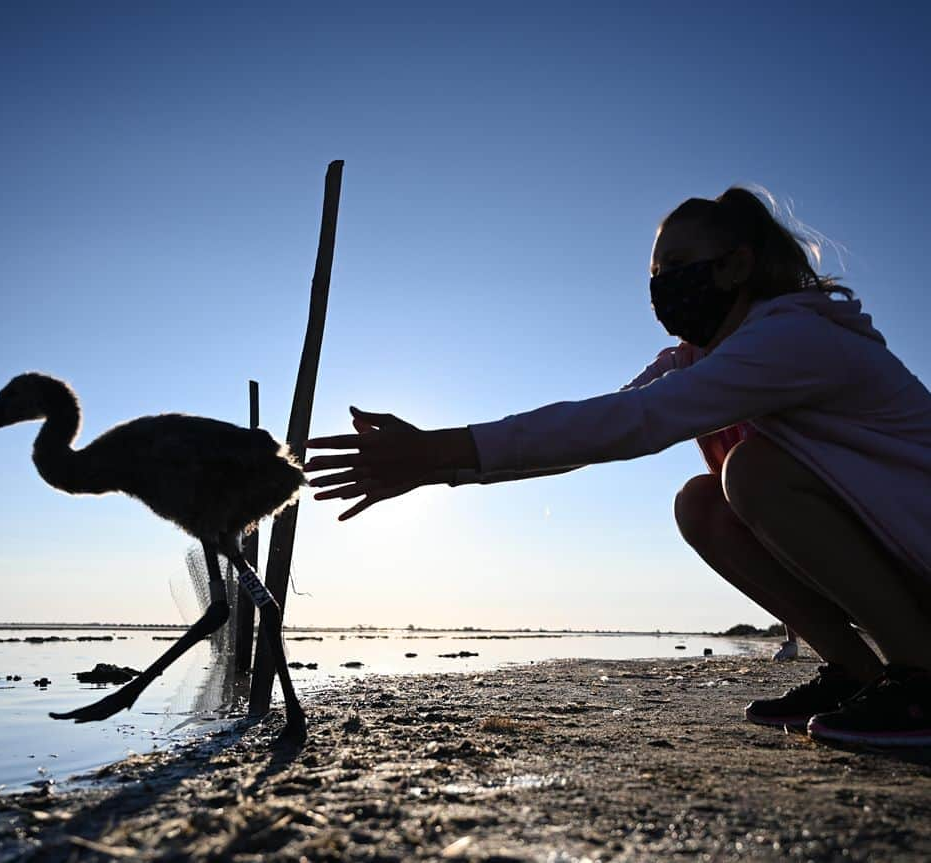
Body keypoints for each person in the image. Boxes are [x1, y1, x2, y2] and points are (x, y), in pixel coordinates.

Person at [305, 187, 931, 748]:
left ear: (737, 265)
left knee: (754, 471)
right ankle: (859, 672)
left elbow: (637, 424)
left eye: (680, 268)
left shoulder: (795, 337)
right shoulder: (696, 359)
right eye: (656, 273)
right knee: (703, 505)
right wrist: (435, 467)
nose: (664, 287)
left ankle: (920, 676)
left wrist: (436, 449)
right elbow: (592, 429)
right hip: (895, 552)